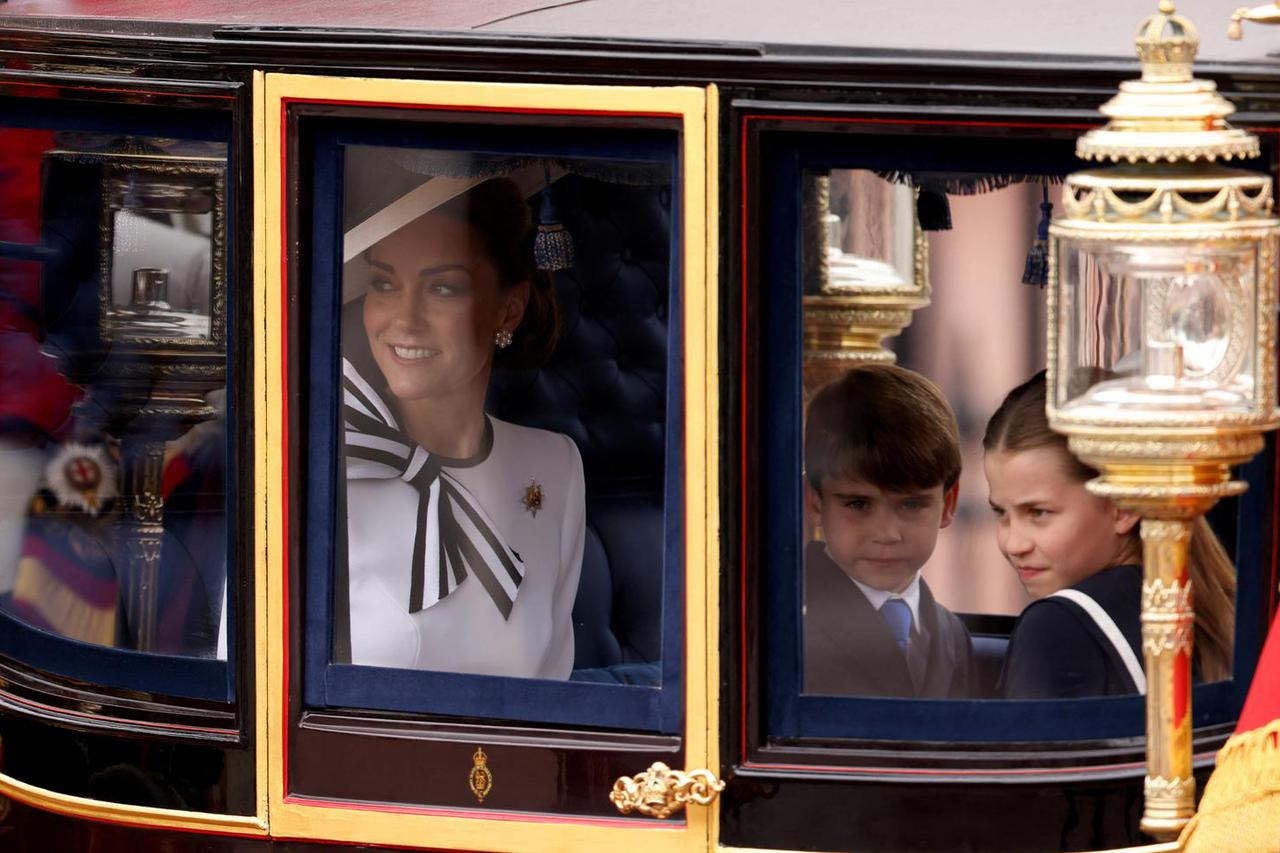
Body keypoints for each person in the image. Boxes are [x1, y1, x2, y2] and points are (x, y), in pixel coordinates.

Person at [341, 177, 584, 680]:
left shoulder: (554, 467)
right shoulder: (318, 464)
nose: (404, 321)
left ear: (508, 308)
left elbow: (552, 695)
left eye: (443, 288)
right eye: (384, 284)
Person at [984, 371, 1235, 699]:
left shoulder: (1057, 626)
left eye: (1039, 513)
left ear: (1123, 505)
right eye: (1001, 513)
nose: (1013, 544)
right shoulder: (1221, 613)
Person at [802, 364, 976, 698]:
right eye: (858, 505)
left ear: (948, 503)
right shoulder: (783, 625)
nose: (886, 533)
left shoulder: (952, 635)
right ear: (816, 502)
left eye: (911, 505)